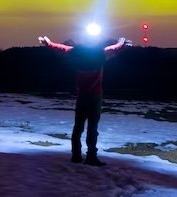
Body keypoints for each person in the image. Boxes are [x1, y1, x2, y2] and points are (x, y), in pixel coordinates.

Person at [39, 34, 126, 166]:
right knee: (92, 128)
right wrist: (121, 43)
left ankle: (76, 156)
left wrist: (48, 43)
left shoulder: (76, 54)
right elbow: (113, 49)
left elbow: (61, 48)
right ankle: (91, 157)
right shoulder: (99, 54)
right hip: (95, 96)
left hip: (82, 96)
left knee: (78, 127)